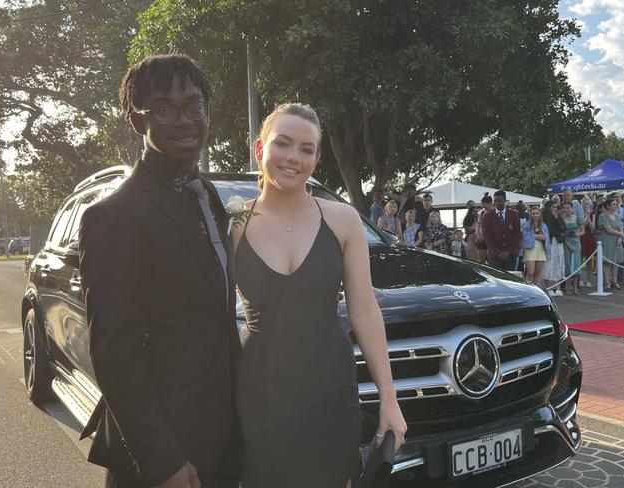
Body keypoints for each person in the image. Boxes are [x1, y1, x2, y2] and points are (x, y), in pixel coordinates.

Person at [78, 55, 242, 488]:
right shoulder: (114, 216)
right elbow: (115, 353)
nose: (184, 120)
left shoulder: (207, 193)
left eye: (194, 106)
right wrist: (162, 460)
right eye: (165, 109)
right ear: (137, 121)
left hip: (224, 438)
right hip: (164, 453)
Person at [232, 103, 407, 488]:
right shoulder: (234, 226)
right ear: (260, 149)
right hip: (260, 387)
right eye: (283, 144)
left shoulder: (342, 219)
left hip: (331, 384)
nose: (293, 157)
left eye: (306, 149)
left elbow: (363, 309)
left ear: (317, 158)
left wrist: (389, 400)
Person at [482, 190, 522, 271]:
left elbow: (517, 235)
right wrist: (498, 252)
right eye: (495, 201)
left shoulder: (514, 215)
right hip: (494, 256)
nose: (497, 203)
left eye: (499, 201)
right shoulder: (487, 217)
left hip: (511, 255)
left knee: (510, 280)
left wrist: (509, 251)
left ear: (504, 201)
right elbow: (487, 237)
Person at [598, 198, 624, 290]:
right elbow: (608, 229)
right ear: (608, 206)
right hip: (607, 240)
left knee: (616, 262)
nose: (616, 206)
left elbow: (621, 228)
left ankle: (615, 282)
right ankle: (606, 282)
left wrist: (620, 237)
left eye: (616, 204)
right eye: (614, 204)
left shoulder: (617, 216)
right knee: (607, 262)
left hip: (617, 241)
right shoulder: (603, 216)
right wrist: (621, 234)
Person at [542, 202, 566, 296]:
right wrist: (558, 232)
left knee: (559, 263)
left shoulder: (558, 217)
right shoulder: (545, 218)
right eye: (553, 207)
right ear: (548, 208)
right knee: (549, 264)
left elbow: (563, 228)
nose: (555, 209)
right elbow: (550, 230)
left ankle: (558, 287)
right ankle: (549, 288)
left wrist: (556, 219)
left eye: (556, 207)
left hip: (558, 243)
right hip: (550, 243)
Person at [522, 207, 550, 287]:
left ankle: (537, 289)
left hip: (541, 249)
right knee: (530, 272)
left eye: (537, 213)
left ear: (540, 214)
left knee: (538, 273)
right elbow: (526, 237)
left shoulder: (544, 226)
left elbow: (545, 237)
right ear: (530, 215)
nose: (535, 215)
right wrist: (538, 236)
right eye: (533, 213)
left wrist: (534, 235)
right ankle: (527, 289)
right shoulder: (527, 225)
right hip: (530, 249)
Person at [561, 202, 585, 295]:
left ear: (572, 208)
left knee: (576, 264)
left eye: (568, 208)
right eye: (564, 208)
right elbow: (561, 234)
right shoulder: (561, 219)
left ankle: (575, 287)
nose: (566, 210)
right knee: (567, 264)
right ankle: (568, 287)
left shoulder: (577, 218)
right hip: (566, 242)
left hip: (576, 242)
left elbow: (583, 231)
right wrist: (567, 244)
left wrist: (577, 234)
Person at [580, 195, 596, 288]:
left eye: (588, 204)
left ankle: (589, 280)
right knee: (580, 260)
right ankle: (580, 279)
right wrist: (586, 215)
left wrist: (588, 216)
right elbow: (582, 226)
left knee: (589, 260)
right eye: (585, 204)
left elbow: (592, 227)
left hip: (589, 237)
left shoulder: (592, 214)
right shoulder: (579, 213)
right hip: (581, 237)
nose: (587, 206)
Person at [474, 194, 494, 264]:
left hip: (492, 240)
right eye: (483, 206)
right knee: (481, 259)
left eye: (485, 205)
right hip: (481, 239)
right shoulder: (482, 213)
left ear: (491, 203)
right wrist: (478, 235)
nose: (484, 207)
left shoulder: (496, 213)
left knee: (491, 259)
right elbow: (478, 224)